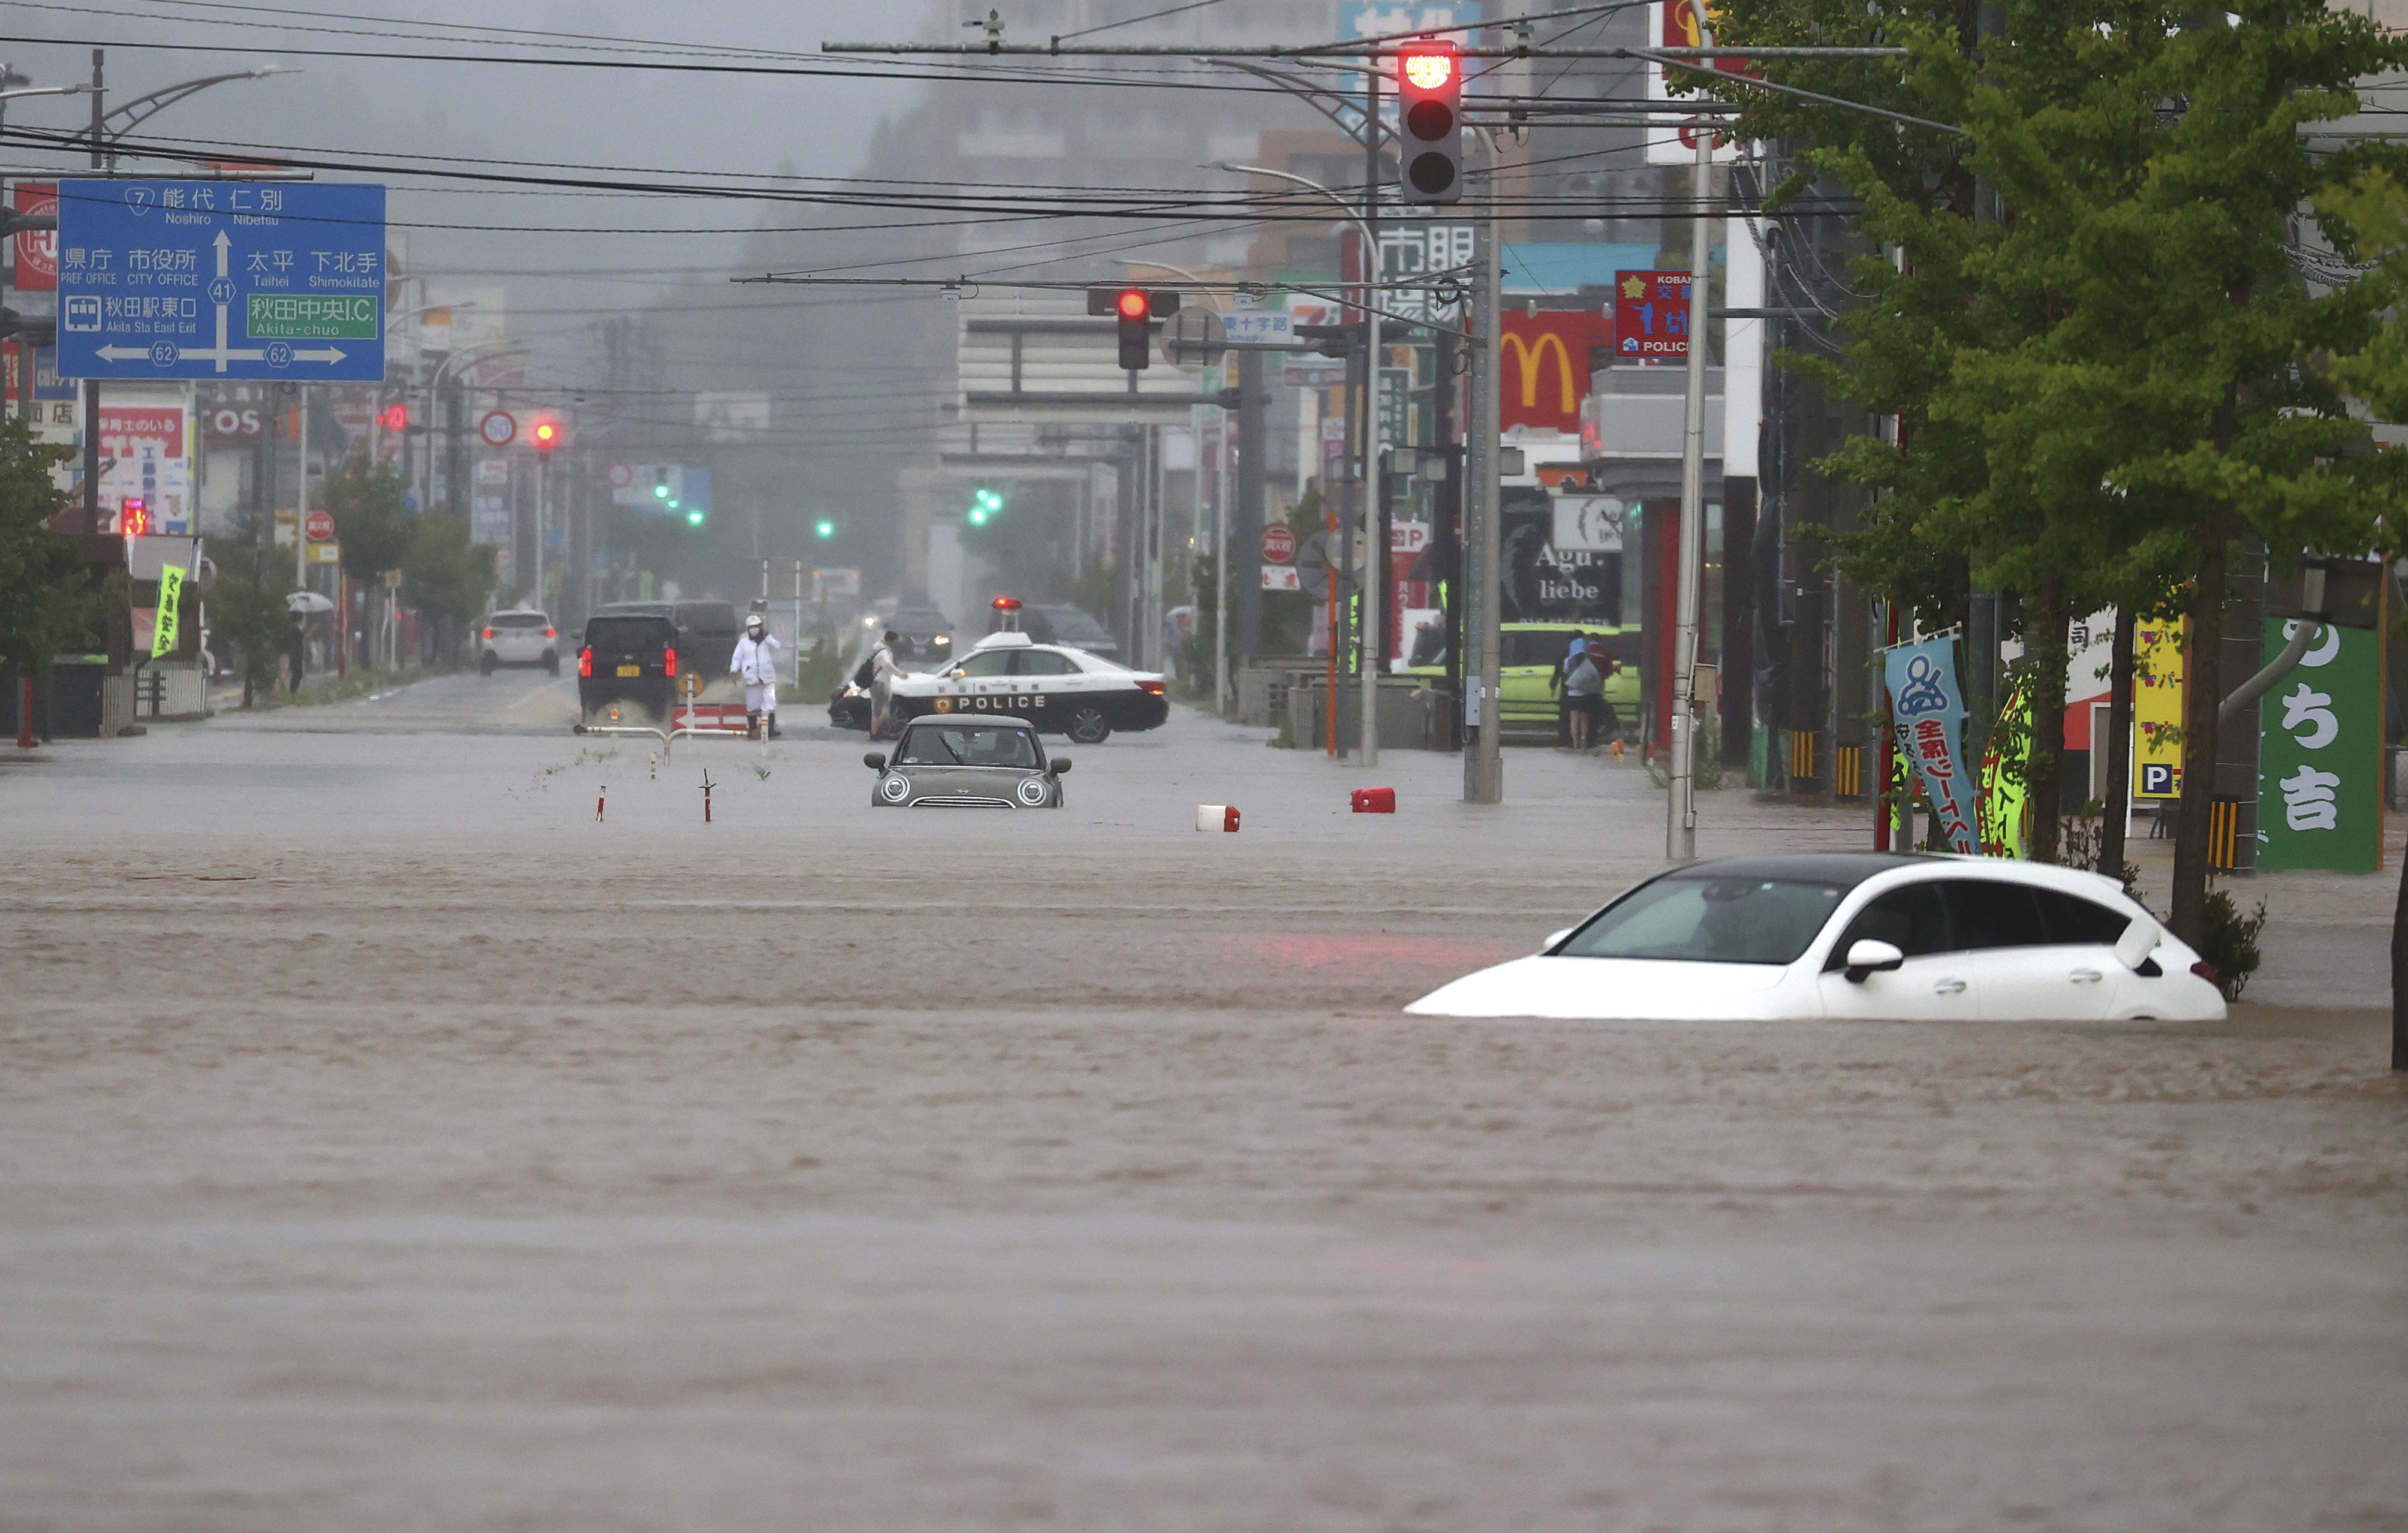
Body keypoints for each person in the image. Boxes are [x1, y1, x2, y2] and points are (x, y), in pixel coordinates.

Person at [730, 611, 782, 739]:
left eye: (757, 627)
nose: (754, 630)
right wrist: (734, 670)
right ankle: (752, 730)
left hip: (767, 677)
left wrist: (768, 636)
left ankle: (770, 730)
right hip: (751, 678)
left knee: (770, 704)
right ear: (748, 629)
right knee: (752, 705)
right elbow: (737, 658)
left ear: (761, 627)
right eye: (752, 627)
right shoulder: (744, 642)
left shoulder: (767, 641)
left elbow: (777, 648)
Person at [1561, 635, 1605, 752]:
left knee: (1574, 720)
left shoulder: (1568, 661)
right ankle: (1584, 742)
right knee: (1585, 719)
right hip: (1586, 694)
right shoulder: (1589, 661)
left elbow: (1565, 673)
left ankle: (1576, 743)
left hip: (1572, 694)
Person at [869, 627, 907, 739]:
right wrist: (900, 674)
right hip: (879, 683)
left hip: (880, 683)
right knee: (878, 710)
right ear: (891, 640)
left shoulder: (879, 648)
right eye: (895, 641)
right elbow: (888, 664)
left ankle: (878, 731)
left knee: (883, 709)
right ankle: (875, 733)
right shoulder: (884, 652)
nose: (896, 644)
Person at [281, 611, 306, 694]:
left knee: (296, 672)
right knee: (297, 673)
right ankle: (293, 691)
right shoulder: (295, 628)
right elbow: (302, 637)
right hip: (296, 653)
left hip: (293, 652)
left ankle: (293, 690)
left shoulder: (291, 628)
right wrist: (313, 629)